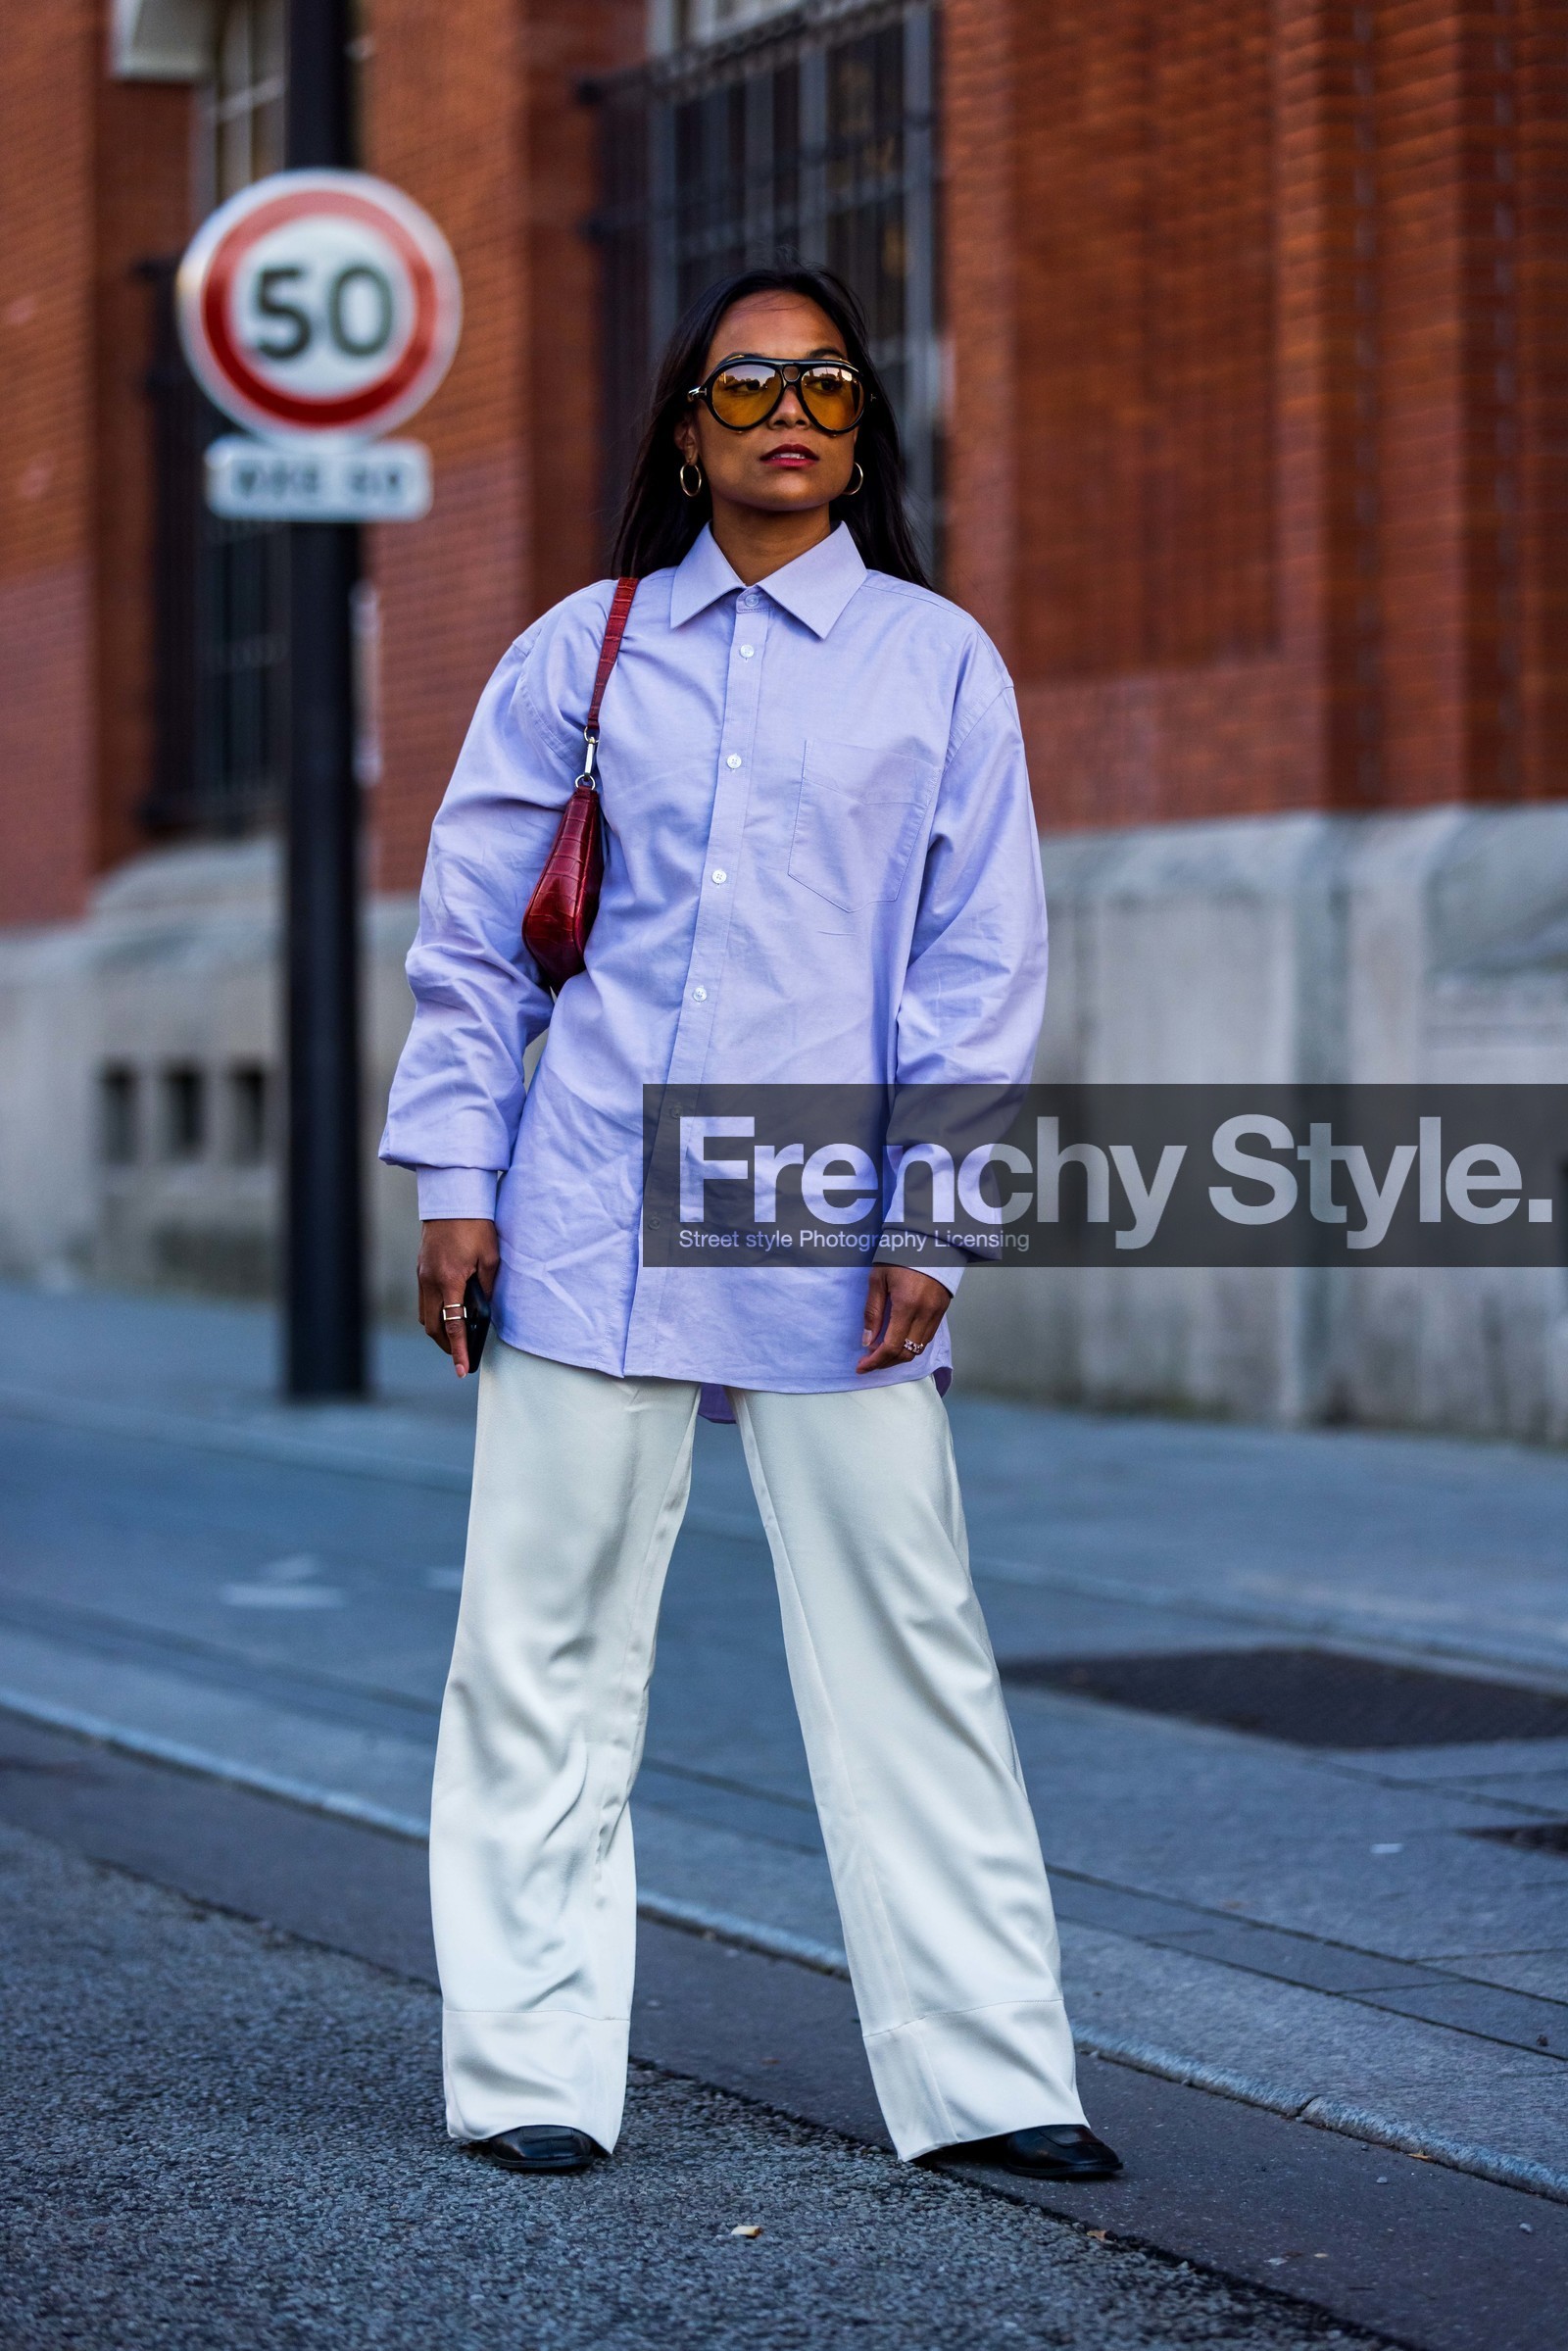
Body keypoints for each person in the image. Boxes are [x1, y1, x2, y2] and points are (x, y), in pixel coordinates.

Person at [380, 266, 1122, 2184]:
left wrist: (928, 1217)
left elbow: (975, 970)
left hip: (820, 1196)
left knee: (908, 1636)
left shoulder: (936, 663)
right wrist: (458, 1186)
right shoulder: (579, 652)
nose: (784, 412)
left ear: (864, 426)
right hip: (586, 1196)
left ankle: (985, 2081)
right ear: (685, 426)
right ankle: (531, 2069)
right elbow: (474, 953)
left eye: (824, 383)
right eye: (743, 385)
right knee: (538, 1642)